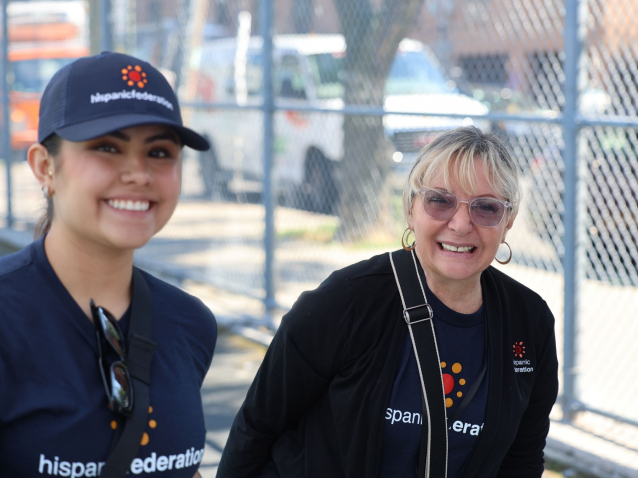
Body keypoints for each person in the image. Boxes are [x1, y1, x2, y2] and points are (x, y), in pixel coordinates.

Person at [217, 126, 559, 477]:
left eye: (486, 208)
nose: (460, 224)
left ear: (509, 221)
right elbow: (258, 425)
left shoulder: (529, 322)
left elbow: (523, 458)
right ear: (411, 209)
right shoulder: (348, 299)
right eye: (439, 200)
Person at [0, 52, 217, 477]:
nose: (138, 173)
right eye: (106, 147)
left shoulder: (190, 323)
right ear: (45, 167)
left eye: (159, 152)